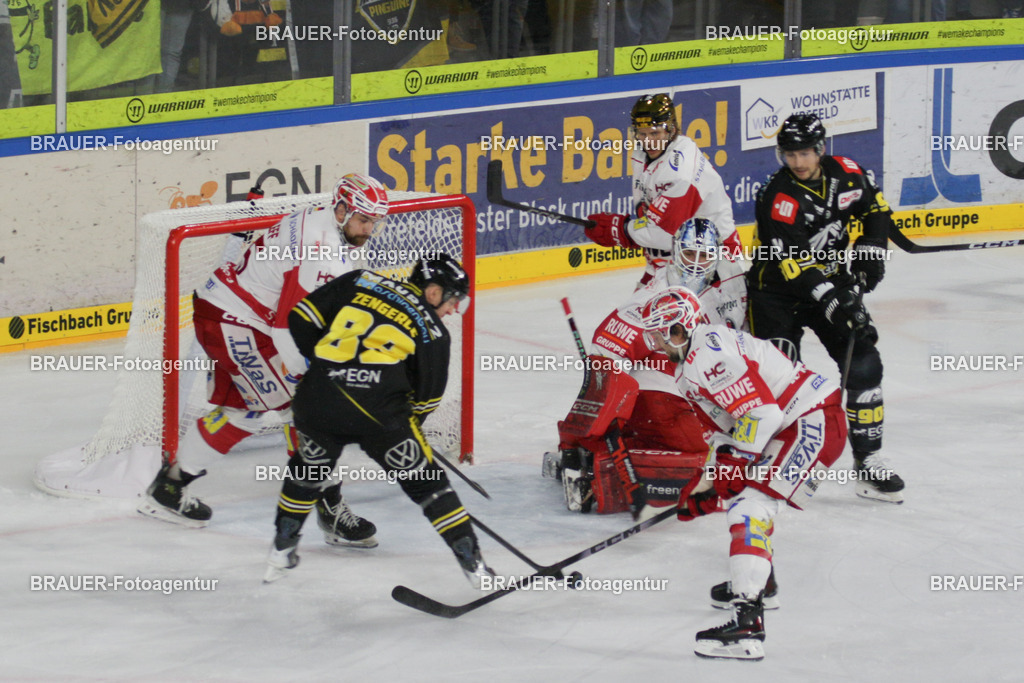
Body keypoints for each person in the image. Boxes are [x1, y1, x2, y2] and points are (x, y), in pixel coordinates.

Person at [138, 173, 391, 551]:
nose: (369, 229)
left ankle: (171, 488)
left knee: (267, 410)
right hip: (238, 321)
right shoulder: (320, 248)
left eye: (374, 221)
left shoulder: (328, 226)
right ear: (340, 209)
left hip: (233, 313)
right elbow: (286, 331)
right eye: (363, 219)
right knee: (285, 409)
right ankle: (328, 506)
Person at [639, 286, 847, 660]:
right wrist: (705, 484)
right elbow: (727, 430)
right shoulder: (689, 366)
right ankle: (761, 582)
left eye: (660, 331)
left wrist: (733, 467)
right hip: (792, 421)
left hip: (811, 419)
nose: (653, 340)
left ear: (680, 329)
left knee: (749, 507)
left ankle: (747, 624)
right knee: (741, 496)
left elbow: (763, 414)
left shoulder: (708, 354)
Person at [263, 256, 494, 587]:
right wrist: (403, 433)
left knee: (308, 471)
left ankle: (281, 549)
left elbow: (300, 318)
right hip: (380, 414)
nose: (454, 309)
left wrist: (329, 369)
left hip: (317, 400)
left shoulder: (360, 280)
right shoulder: (433, 331)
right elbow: (426, 400)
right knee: (429, 485)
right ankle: (475, 567)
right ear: (432, 292)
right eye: (454, 299)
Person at [749, 112, 905, 504]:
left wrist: (869, 261)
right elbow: (794, 266)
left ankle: (869, 463)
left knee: (865, 362)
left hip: (829, 283)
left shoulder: (849, 174)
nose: (797, 162)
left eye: (804, 153)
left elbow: (875, 213)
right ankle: (771, 464)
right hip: (777, 294)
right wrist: (837, 299)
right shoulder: (778, 196)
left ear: (820, 149)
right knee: (779, 377)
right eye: (789, 154)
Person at [548, 218, 748, 516]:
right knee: (709, 449)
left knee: (741, 438)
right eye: (689, 254)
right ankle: (595, 454)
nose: (696, 264)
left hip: (698, 394)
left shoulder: (730, 287)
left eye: (704, 255)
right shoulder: (652, 297)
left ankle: (607, 448)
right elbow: (606, 351)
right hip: (660, 397)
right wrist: (605, 416)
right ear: (675, 253)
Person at [585, 93, 740, 287]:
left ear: (671, 129)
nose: (648, 141)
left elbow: (665, 233)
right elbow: (648, 211)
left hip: (710, 263)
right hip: (669, 260)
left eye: (655, 133)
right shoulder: (643, 154)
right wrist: (628, 230)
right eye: (642, 133)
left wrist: (621, 230)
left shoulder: (681, 172)